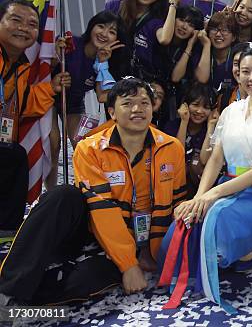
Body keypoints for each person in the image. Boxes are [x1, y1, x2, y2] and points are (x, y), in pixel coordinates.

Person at [0, 78, 187, 305]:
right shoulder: (89, 148)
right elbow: (102, 210)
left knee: (89, 281)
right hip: (91, 228)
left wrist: (157, 253)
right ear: (112, 113)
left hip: (137, 239)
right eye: (127, 103)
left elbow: (178, 202)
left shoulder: (171, 147)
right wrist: (128, 263)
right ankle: (7, 291)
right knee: (62, 195)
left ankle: (25, 305)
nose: (137, 109)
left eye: (144, 103)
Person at [159, 45, 252, 312]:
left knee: (215, 230)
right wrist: (199, 197)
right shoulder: (230, 111)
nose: (251, 78)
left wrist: (211, 196)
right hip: (226, 187)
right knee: (183, 226)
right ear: (237, 75)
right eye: (245, 71)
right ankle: (241, 255)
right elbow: (217, 160)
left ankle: (244, 250)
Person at [0, 0, 71, 240]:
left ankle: (7, 236)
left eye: (32, 24)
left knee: (16, 156)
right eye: (15, 20)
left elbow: (22, 105)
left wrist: (51, 87)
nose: (24, 28)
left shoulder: (18, 65)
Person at [47, 11, 126, 189]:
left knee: (84, 145)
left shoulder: (106, 60)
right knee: (54, 143)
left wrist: (104, 63)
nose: (105, 33)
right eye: (101, 26)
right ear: (91, 26)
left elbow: (101, 96)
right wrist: (56, 56)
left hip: (74, 104)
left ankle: (85, 191)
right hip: (49, 98)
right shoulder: (70, 43)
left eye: (112, 31)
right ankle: (48, 194)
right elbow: (45, 67)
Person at [104, 0, 170, 81]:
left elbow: (164, 39)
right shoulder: (113, 7)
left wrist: (173, 4)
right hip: (110, 77)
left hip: (139, 85)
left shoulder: (156, 21)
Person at [164, 82, 219, 196]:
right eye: (195, 105)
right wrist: (184, 122)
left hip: (200, 190)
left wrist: (211, 127)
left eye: (206, 107)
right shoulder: (172, 126)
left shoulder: (212, 130)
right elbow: (177, 155)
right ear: (185, 105)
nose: (199, 111)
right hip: (173, 187)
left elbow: (204, 160)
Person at [195, 11, 239, 92]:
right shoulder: (201, 52)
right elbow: (201, 80)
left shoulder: (238, 57)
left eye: (225, 30)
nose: (218, 34)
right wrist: (207, 45)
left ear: (234, 37)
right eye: (214, 29)